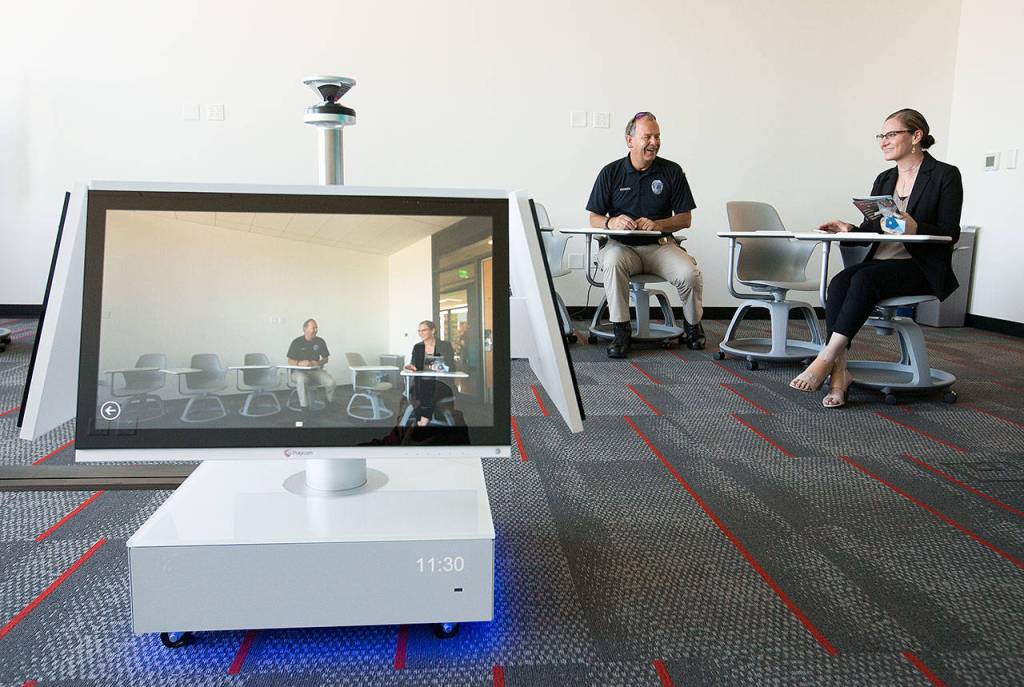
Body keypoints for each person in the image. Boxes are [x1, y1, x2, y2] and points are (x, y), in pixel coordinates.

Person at [790, 108, 963, 408]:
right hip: (880, 261)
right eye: (881, 136)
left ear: (916, 136)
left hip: (919, 267)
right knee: (840, 283)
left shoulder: (945, 175)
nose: (883, 141)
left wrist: (915, 227)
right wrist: (849, 228)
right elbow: (875, 228)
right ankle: (840, 375)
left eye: (891, 134)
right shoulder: (885, 179)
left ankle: (826, 359)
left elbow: (951, 232)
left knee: (864, 279)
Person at [586, 111, 704, 357]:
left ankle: (693, 326)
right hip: (622, 247)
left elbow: (686, 219)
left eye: (657, 136)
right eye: (647, 136)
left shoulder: (672, 171)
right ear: (630, 140)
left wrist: (658, 223)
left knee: (688, 273)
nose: (654, 142)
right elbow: (593, 217)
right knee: (611, 261)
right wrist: (611, 222)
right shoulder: (611, 172)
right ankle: (621, 332)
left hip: (660, 246)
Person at [403, 320, 456, 426]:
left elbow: (451, 366)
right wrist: (410, 367)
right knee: (418, 392)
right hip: (421, 383)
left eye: (424, 330)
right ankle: (424, 419)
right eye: (419, 331)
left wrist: (443, 368)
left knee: (428, 392)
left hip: (441, 383)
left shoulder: (445, 345)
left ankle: (422, 420)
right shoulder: (418, 347)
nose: (420, 333)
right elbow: (415, 366)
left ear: (433, 330)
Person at [286, 318, 337, 410]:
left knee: (331, 382)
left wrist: (318, 362)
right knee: (302, 379)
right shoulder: (296, 342)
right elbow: (289, 360)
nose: (315, 330)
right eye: (313, 328)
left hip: (315, 371)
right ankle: (304, 407)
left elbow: (326, 359)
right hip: (298, 372)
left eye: (316, 328)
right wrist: (299, 363)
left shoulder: (320, 341)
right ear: (305, 329)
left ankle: (329, 400)